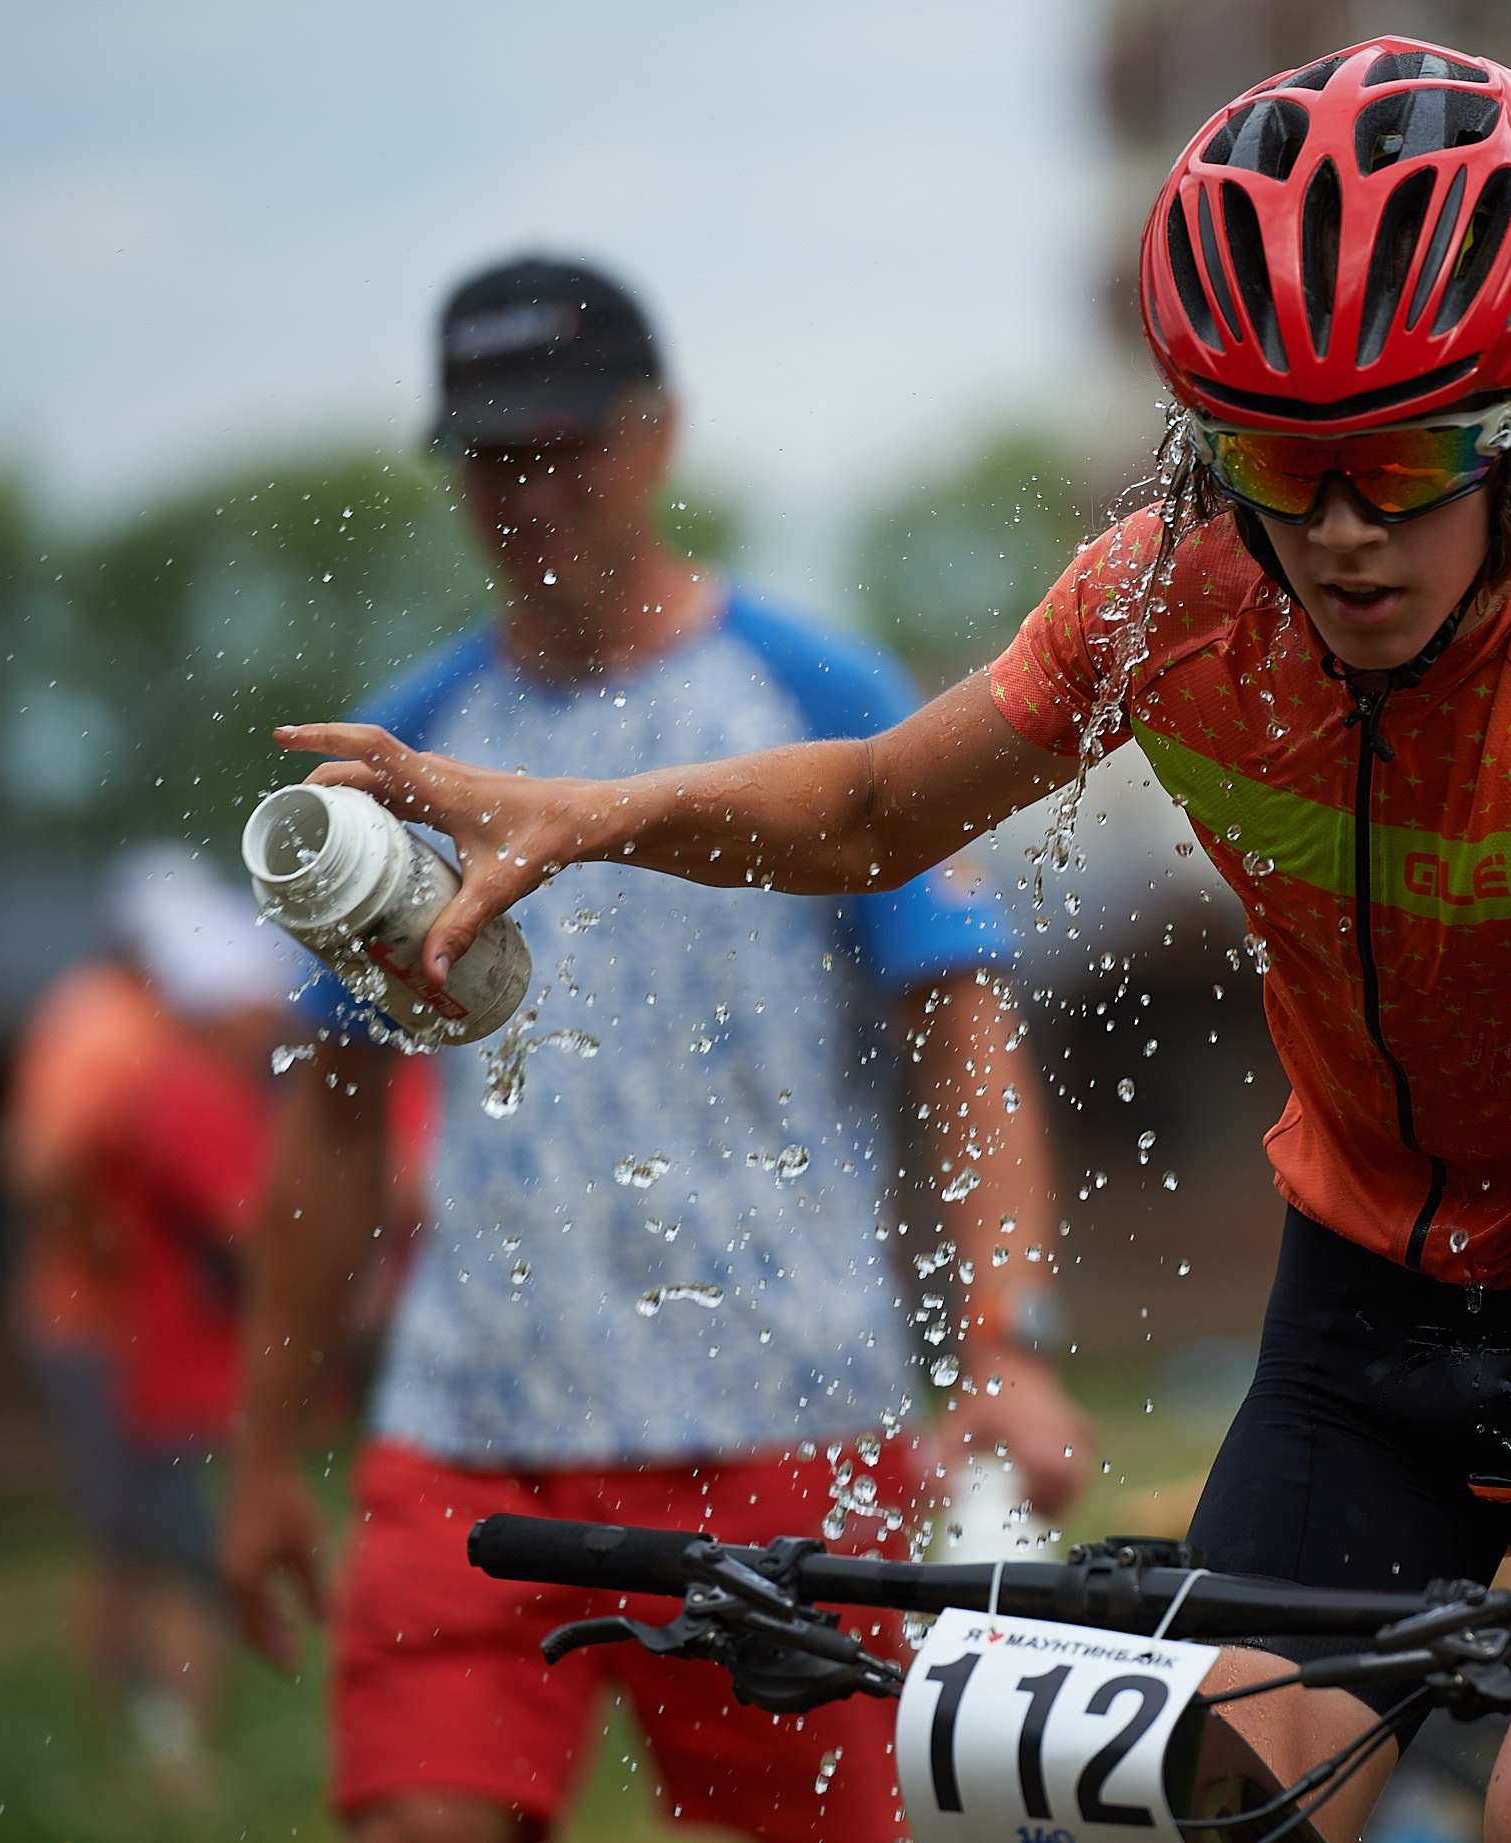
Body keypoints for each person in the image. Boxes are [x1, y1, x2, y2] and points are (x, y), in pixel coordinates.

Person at [277, 53, 1511, 1843]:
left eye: (1400, 459)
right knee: (1211, 1800)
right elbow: (867, 812)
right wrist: (580, 812)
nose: (1341, 531)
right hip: (1376, 1295)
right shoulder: (1170, 601)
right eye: (1279, 464)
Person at [220, 256, 1090, 1843]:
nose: (528, 488)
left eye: (565, 443)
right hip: (474, 1436)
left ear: (660, 433)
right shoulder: (401, 760)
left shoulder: (812, 693)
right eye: (492, 453)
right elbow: (335, 1124)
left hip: (788, 1420)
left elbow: (964, 1035)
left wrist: (1006, 1339)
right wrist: (270, 1446)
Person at [0, 846, 308, 1790]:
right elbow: (35, 1164)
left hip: (90, 1322)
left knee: (123, 1541)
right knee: (166, 1548)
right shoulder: (117, 1029)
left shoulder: (100, 1015)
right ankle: (173, 1758)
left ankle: (118, 1746)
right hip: (106, 1330)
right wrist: (107, 1254)